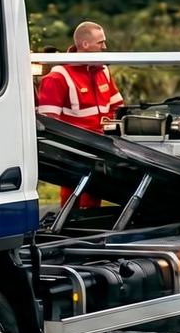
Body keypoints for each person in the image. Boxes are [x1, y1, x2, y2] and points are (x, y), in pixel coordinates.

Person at [37, 21, 124, 208]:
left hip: (103, 149)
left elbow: (118, 107)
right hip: (73, 155)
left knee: (95, 198)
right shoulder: (58, 76)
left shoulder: (103, 71)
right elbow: (47, 123)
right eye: (100, 42)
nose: (104, 47)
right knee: (73, 204)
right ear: (85, 44)